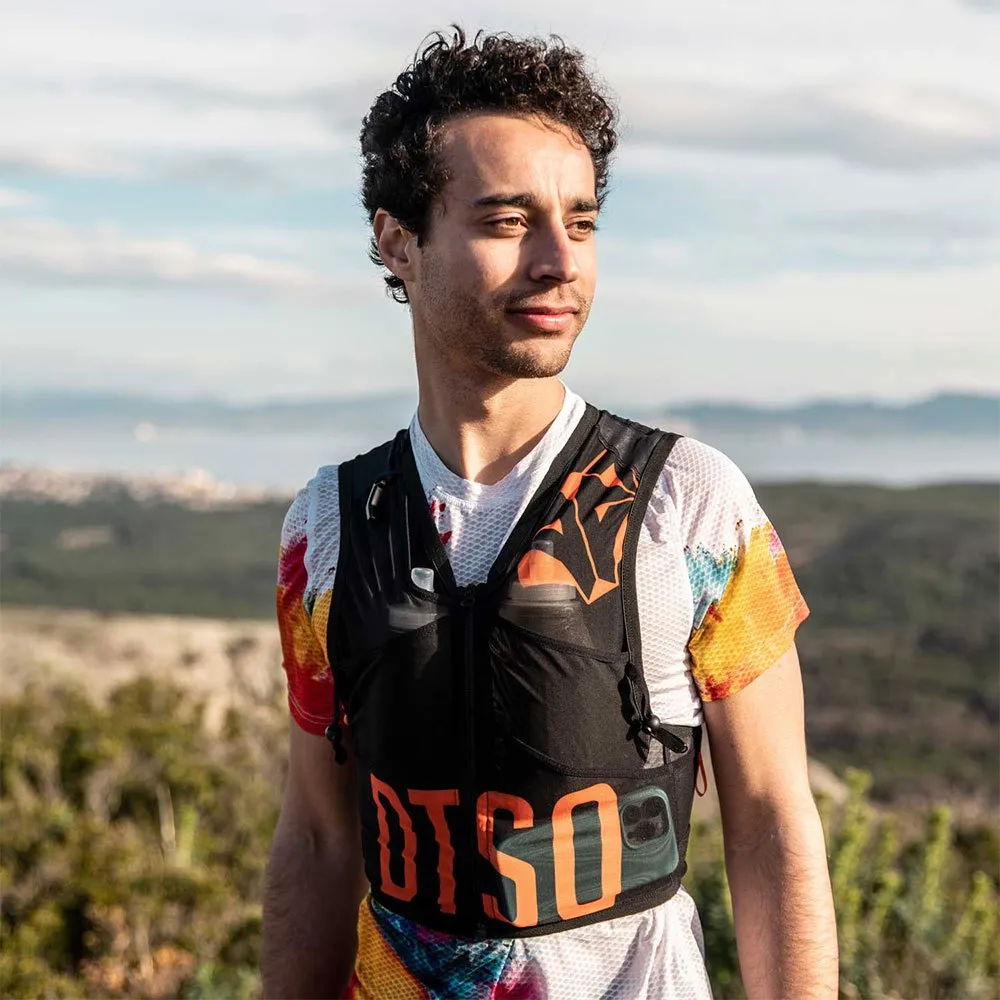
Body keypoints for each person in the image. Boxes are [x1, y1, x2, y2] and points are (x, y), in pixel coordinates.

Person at [262, 28, 837, 1000]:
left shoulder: (690, 504)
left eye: (581, 221)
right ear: (398, 241)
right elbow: (319, 836)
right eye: (506, 221)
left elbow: (775, 824)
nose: (559, 260)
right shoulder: (329, 526)